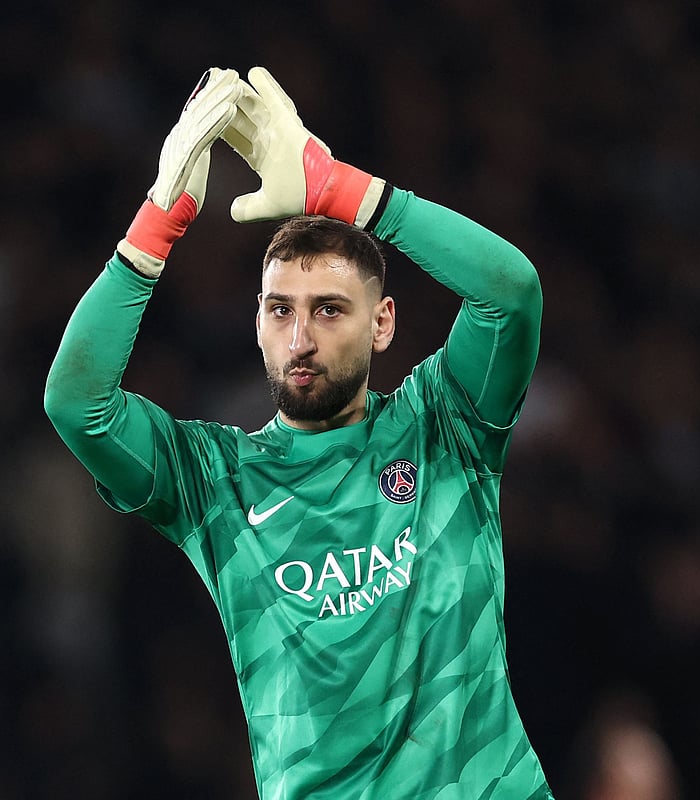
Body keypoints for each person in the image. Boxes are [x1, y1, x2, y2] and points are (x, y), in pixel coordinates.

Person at [44, 66, 554, 800]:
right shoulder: (214, 482)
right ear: (257, 322)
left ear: (382, 323)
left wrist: (340, 188)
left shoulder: (444, 425)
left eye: (329, 309)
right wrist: (158, 223)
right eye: (280, 310)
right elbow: (77, 404)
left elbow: (512, 294)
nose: (301, 338)